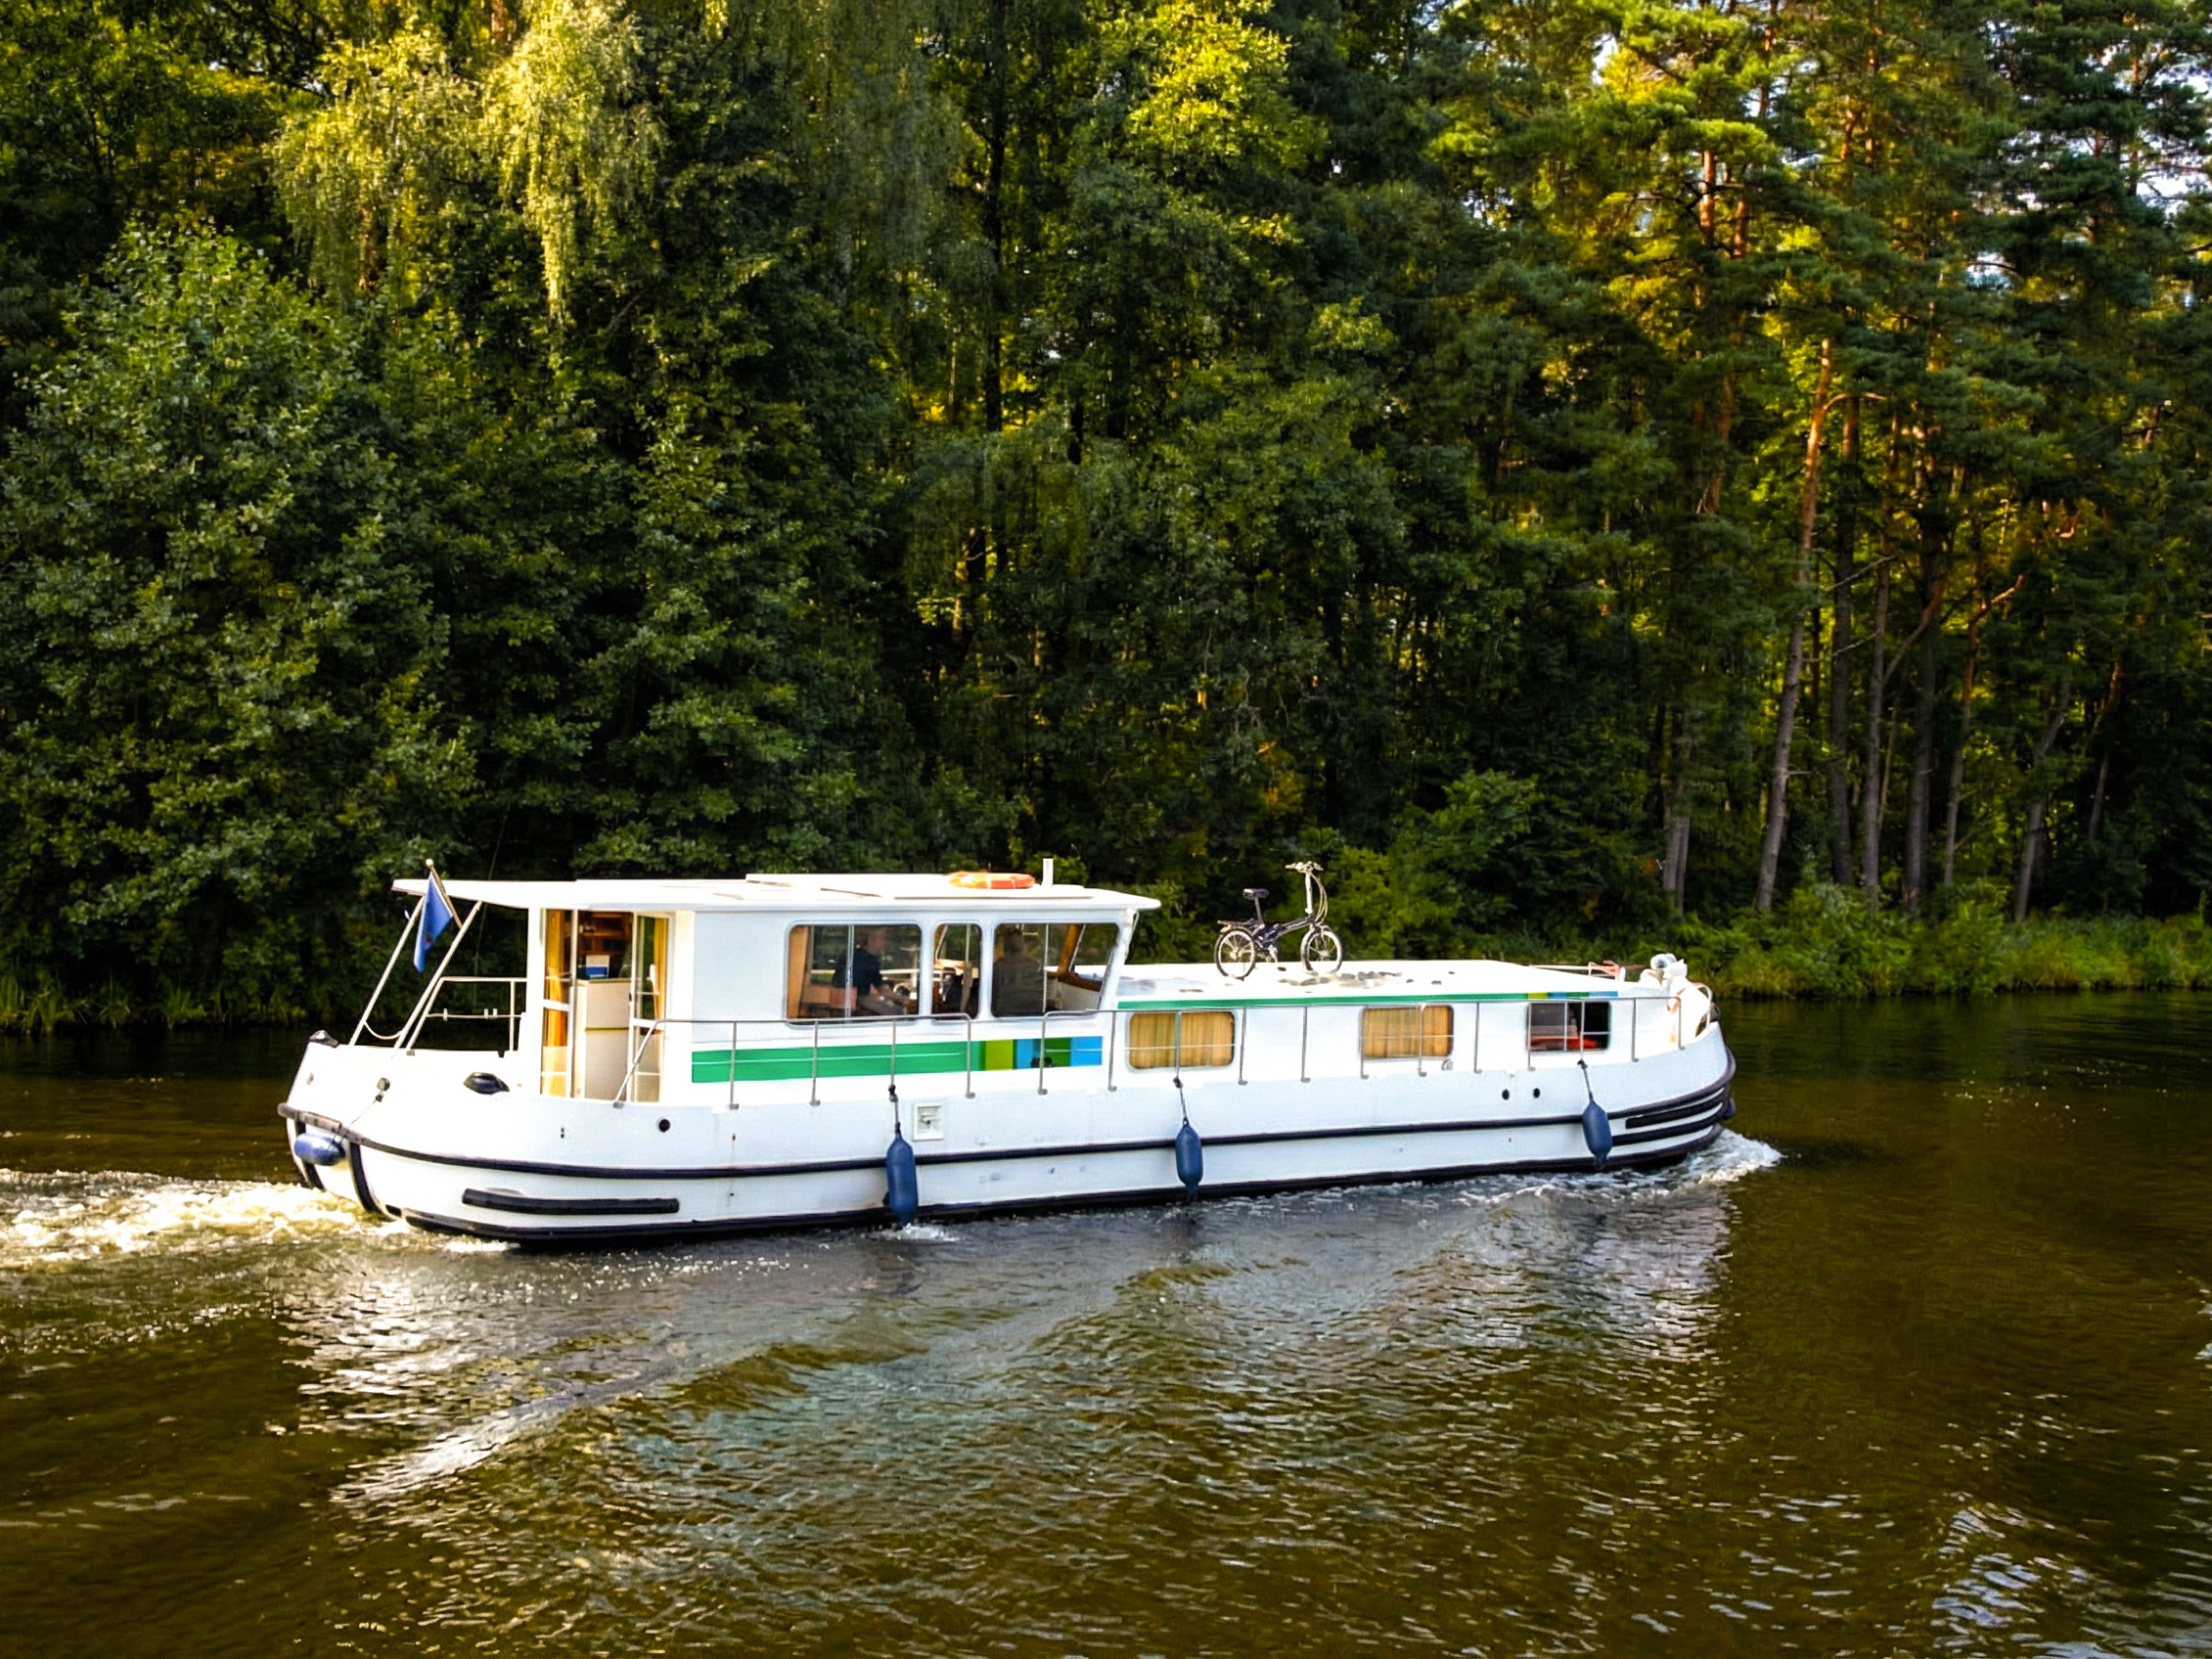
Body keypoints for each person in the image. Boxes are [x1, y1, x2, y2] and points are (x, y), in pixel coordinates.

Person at [991, 926, 1046, 1017]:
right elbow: (1042, 991)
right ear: (1023, 945)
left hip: (1005, 1013)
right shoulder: (1034, 965)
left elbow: (993, 994)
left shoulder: (998, 967)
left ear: (1004, 946)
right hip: (1034, 1014)